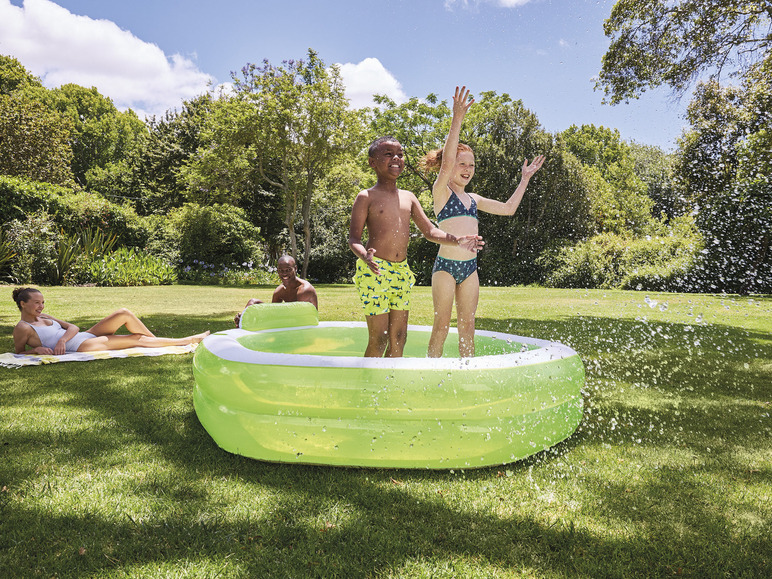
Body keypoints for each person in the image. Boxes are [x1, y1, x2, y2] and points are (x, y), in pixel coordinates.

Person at [424, 86, 545, 358]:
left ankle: (467, 375)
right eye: (461, 164)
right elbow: (444, 167)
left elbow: (509, 208)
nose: (467, 170)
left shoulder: (474, 199)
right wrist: (457, 119)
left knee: (468, 326)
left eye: (472, 165)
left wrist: (524, 179)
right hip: (445, 268)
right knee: (442, 326)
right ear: (450, 165)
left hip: (470, 269)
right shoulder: (442, 192)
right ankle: (431, 374)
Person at [348, 135, 484, 358]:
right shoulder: (366, 196)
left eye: (400, 154)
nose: (396, 158)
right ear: (372, 162)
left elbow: (431, 231)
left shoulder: (409, 197)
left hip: (401, 272)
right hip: (374, 271)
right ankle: (369, 386)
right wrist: (365, 256)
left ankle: (391, 385)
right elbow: (354, 239)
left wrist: (457, 240)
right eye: (388, 154)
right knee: (380, 337)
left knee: (399, 338)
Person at [12, 287, 209, 355]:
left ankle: (156, 342)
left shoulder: (44, 317)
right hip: (81, 346)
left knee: (124, 313)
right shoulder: (23, 327)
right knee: (136, 339)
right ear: (23, 304)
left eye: (43, 302)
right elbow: (19, 352)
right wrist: (36, 350)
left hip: (82, 336)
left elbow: (73, 327)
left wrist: (62, 339)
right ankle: (187, 340)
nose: (41, 307)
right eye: (37, 303)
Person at [233, 255, 318, 326]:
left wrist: (259, 318)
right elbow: (273, 314)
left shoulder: (304, 290)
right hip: (290, 322)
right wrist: (247, 314)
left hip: (305, 326)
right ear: (277, 271)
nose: (284, 274)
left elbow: (298, 319)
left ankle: (245, 323)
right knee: (253, 302)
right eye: (281, 271)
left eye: (288, 270)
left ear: (295, 269)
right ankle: (241, 322)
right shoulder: (280, 291)